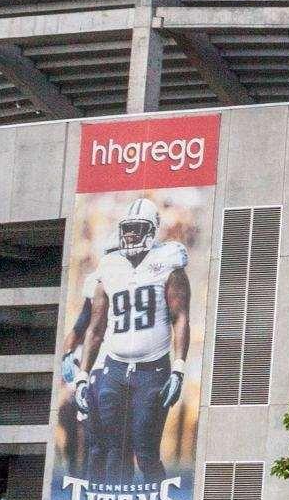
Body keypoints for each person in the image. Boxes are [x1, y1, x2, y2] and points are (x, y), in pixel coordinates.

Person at [59, 197, 192, 485]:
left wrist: (179, 369)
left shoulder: (167, 262)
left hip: (153, 370)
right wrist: (81, 374)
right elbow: (93, 327)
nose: (130, 235)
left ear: (152, 231)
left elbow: (180, 317)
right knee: (109, 446)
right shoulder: (108, 268)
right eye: (127, 229)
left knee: (145, 451)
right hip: (113, 370)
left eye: (137, 228)